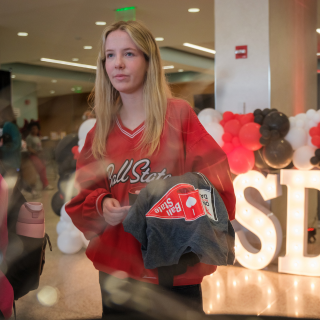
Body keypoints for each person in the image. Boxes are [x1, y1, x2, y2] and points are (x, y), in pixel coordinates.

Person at [65, 20, 236, 318]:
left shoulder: (179, 115)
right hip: (117, 269)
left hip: (175, 268)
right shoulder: (99, 131)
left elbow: (217, 184)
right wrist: (102, 204)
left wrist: (167, 201)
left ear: (148, 60)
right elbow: (81, 194)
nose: (118, 63)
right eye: (110, 55)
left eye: (129, 54)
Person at [25, 122, 53, 190]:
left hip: (40, 156)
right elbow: (28, 147)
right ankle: (45, 185)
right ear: (30, 130)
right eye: (33, 129)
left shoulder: (37, 137)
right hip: (33, 156)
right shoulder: (29, 137)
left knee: (43, 170)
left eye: (36, 128)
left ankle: (45, 184)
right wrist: (36, 152)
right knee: (41, 169)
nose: (34, 130)